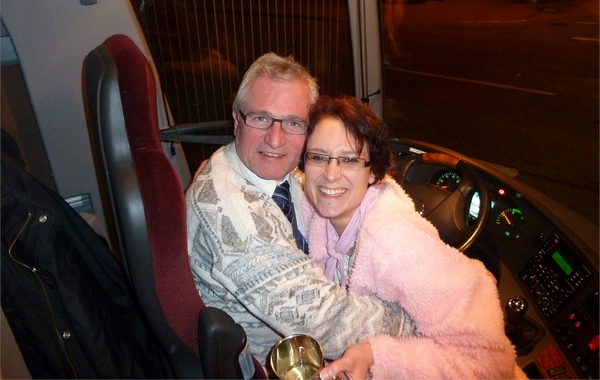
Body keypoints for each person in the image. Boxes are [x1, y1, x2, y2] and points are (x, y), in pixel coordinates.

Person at [186, 53, 417, 367]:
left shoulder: (276, 176)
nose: (275, 139)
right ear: (237, 120)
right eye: (261, 118)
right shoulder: (233, 215)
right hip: (270, 363)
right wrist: (414, 320)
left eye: (293, 123)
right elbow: (323, 319)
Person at [300, 95, 525, 380]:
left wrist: (377, 358)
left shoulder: (394, 243)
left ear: (373, 172)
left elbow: (490, 363)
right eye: (318, 157)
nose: (331, 174)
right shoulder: (314, 210)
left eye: (349, 160)